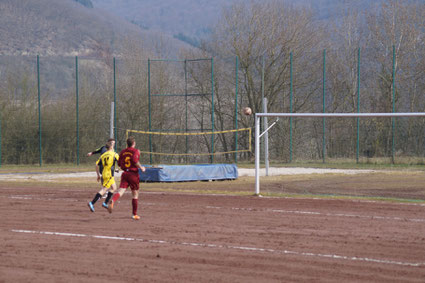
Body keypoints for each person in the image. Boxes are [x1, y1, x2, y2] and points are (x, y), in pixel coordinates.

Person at [108, 136, 146, 220]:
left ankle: (113, 200)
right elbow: (135, 161)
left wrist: (125, 167)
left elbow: (119, 164)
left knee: (121, 191)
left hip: (125, 174)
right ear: (133, 143)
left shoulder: (122, 152)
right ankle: (134, 214)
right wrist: (141, 167)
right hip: (133, 175)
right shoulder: (135, 151)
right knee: (135, 194)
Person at [87, 141, 119, 212]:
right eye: (112, 145)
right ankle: (92, 203)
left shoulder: (103, 155)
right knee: (104, 190)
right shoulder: (114, 154)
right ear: (111, 147)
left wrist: (98, 175)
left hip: (105, 173)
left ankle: (105, 203)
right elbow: (120, 161)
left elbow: (96, 164)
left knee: (114, 188)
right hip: (109, 175)